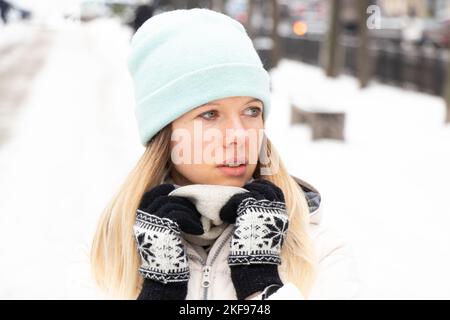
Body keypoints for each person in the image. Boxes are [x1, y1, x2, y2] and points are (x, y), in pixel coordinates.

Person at [90, 8, 360, 300]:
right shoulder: (110, 255)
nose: (240, 135)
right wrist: (160, 293)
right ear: (165, 134)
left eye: (251, 111)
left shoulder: (319, 250)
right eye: (209, 114)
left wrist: (260, 287)